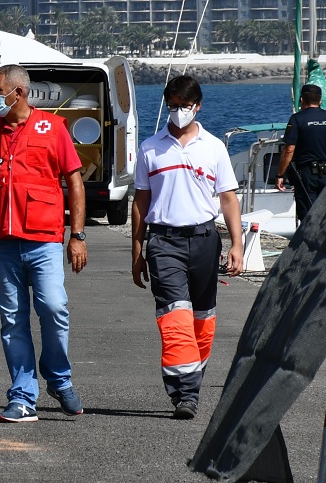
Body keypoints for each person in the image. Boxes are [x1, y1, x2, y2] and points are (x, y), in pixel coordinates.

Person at [0, 64, 87, 423]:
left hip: (44, 239)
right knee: (12, 321)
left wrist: (77, 235)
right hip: (1, 243)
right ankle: (22, 395)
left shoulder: (53, 129)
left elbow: (75, 181)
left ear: (18, 93)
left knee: (53, 307)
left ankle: (58, 377)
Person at [131, 75, 244, 420]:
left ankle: (188, 384)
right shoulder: (151, 148)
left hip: (205, 240)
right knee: (174, 316)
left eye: (185, 106)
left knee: (202, 320)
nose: (179, 112)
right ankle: (186, 394)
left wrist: (237, 244)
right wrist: (137, 248)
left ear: (198, 106)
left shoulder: (214, 148)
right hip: (164, 242)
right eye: (173, 106)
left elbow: (228, 199)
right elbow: (140, 201)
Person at [275, 83, 326, 225]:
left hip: (307, 175)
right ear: (320, 100)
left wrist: (280, 174)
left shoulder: (297, 119)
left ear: (302, 100)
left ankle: (310, 244)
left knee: (308, 217)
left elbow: (289, 149)